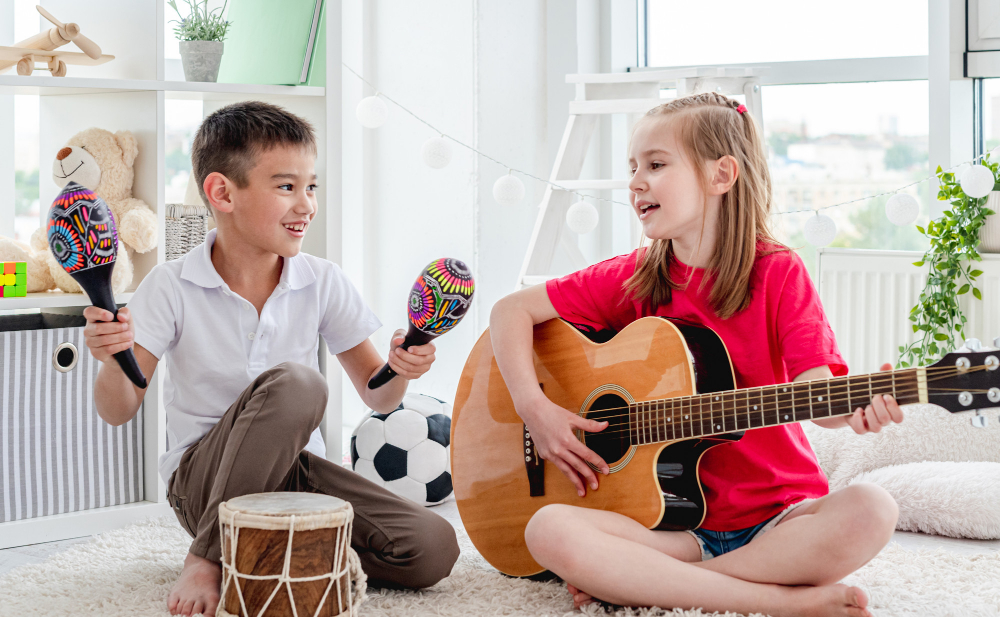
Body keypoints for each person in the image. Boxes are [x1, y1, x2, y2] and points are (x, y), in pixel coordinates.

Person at [489, 93, 902, 617]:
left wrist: (855, 408)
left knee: (873, 508)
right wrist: (535, 408)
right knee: (548, 528)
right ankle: (775, 601)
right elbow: (510, 312)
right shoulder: (635, 275)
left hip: (778, 520)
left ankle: (659, 585)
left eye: (656, 165)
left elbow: (814, 390)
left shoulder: (777, 271)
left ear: (721, 175)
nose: (636, 181)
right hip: (673, 526)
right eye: (632, 167)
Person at [83, 101, 460, 617]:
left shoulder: (322, 280)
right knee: (300, 385)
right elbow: (117, 409)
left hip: (299, 474)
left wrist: (401, 367)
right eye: (286, 187)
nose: (306, 204)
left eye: (312, 187)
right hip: (203, 482)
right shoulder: (171, 286)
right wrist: (112, 360)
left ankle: (280, 546)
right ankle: (209, 556)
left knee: (433, 548)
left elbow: (380, 393)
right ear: (222, 193)